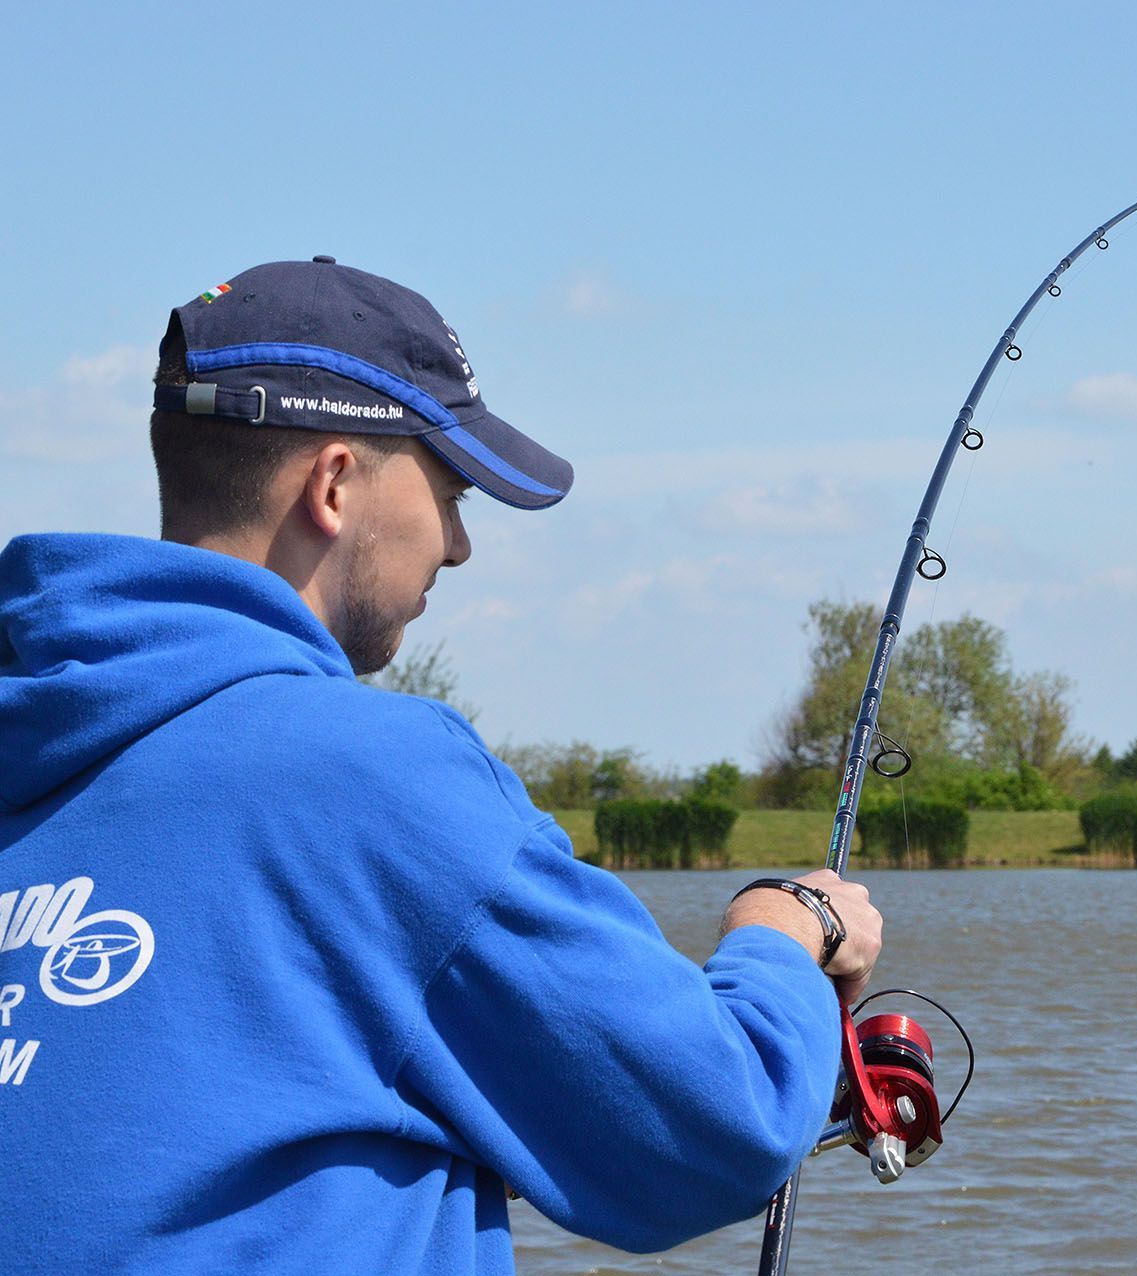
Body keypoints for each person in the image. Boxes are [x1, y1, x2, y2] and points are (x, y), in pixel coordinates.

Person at [0, 257, 882, 1272]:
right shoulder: (371, 776)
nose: (459, 546)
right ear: (333, 483)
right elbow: (713, 1127)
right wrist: (785, 931)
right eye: (451, 492)